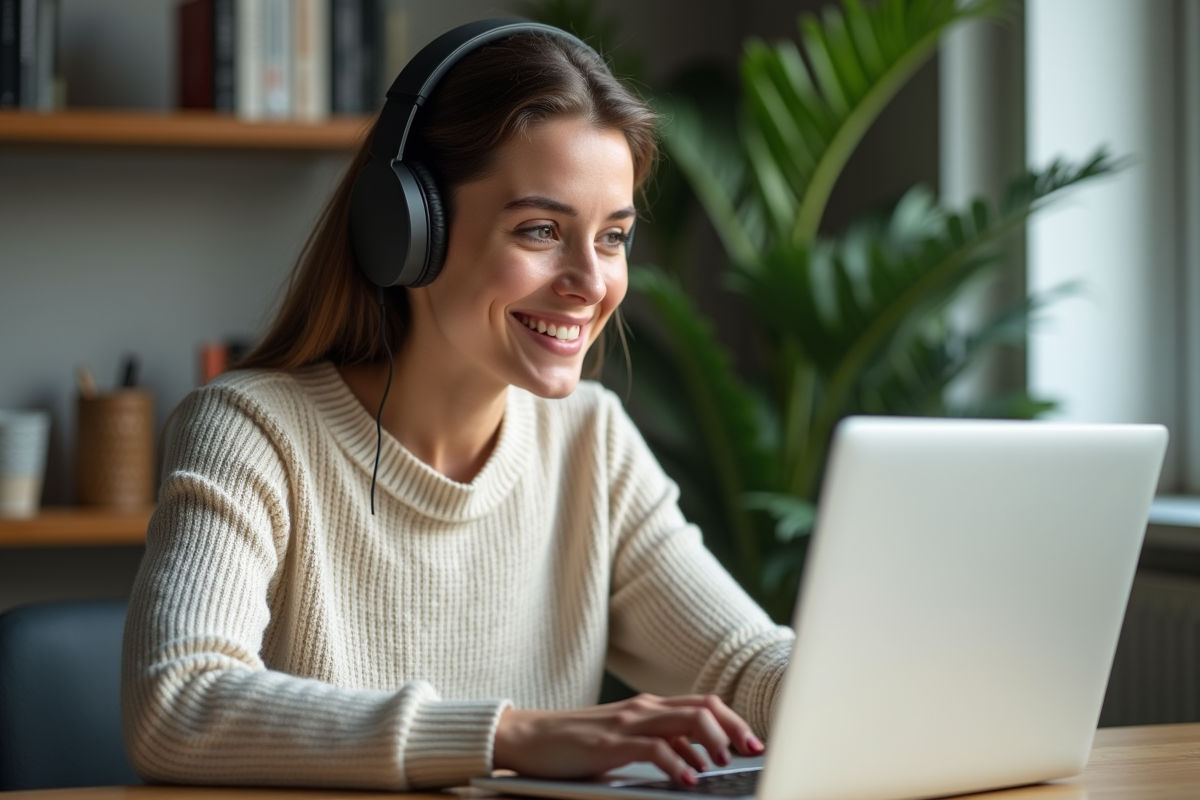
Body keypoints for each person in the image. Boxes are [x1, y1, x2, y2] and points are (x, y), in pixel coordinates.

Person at [121, 21, 794, 792]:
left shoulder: (590, 441)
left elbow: (744, 665)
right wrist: (509, 736)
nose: (589, 281)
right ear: (408, 231)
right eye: (541, 230)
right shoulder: (252, 433)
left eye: (612, 238)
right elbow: (176, 706)